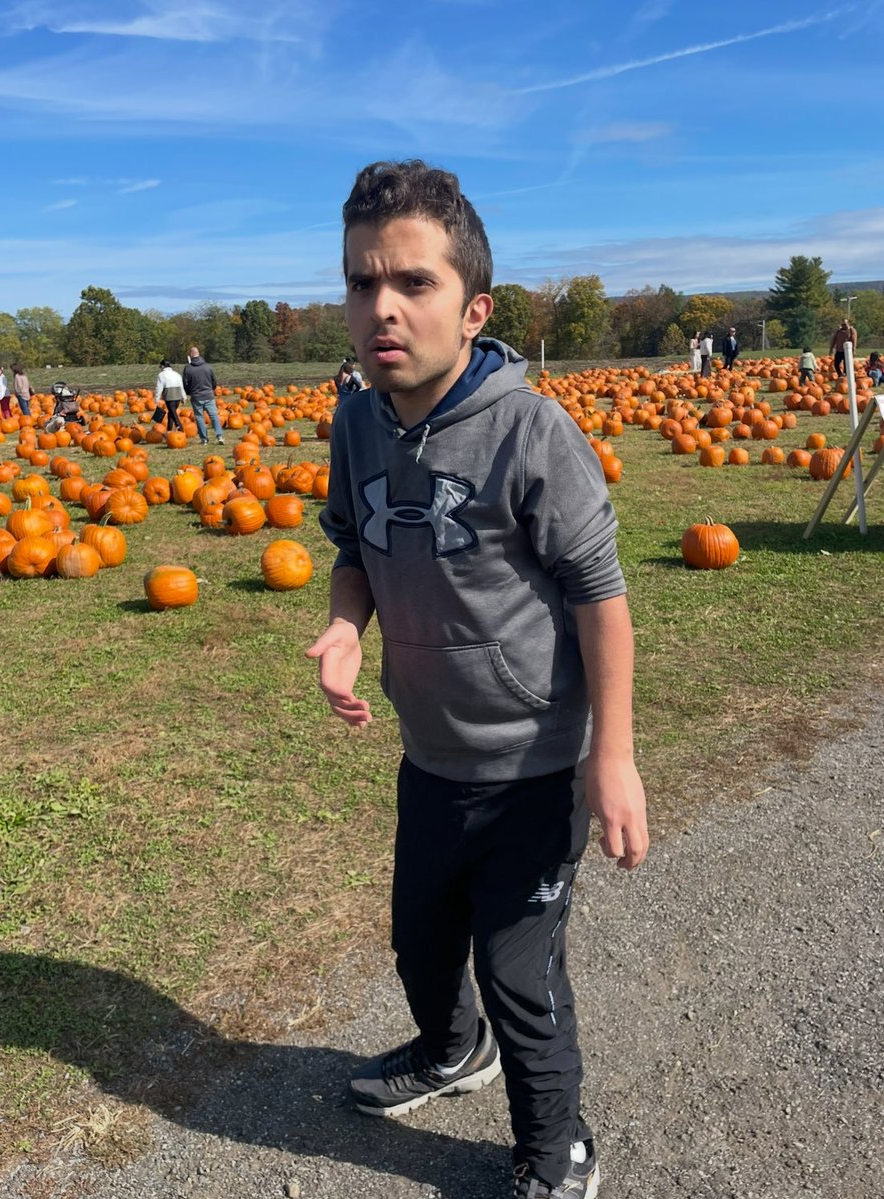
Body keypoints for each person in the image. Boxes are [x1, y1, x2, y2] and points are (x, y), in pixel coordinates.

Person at [308, 159, 648, 1199]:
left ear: (474, 305)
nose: (383, 308)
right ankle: (452, 1050)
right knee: (419, 945)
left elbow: (601, 593)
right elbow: (355, 547)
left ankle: (558, 1153)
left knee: (520, 977)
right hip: (432, 759)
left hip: (536, 766)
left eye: (413, 282)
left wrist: (615, 758)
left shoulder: (530, 431)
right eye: (364, 282)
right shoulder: (357, 420)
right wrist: (343, 624)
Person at [181, 346, 223, 445]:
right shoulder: (207, 366)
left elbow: (185, 383)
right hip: (208, 395)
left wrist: (189, 392)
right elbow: (214, 381)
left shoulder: (188, 368)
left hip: (196, 396)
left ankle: (204, 439)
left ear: (191, 355)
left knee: (199, 417)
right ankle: (220, 436)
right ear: (199, 354)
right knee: (213, 416)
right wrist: (211, 389)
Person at [153, 359, 186, 433]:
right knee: (171, 413)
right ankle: (169, 430)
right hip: (178, 395)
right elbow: (181, 386)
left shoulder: (161, 375)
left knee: (173, 413)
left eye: (160, 366)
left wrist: (156, 399)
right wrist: (183, 397)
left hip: (169, 395)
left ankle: (179, 427)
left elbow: (159, 387)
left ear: (163, 366)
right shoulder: (177, 374)